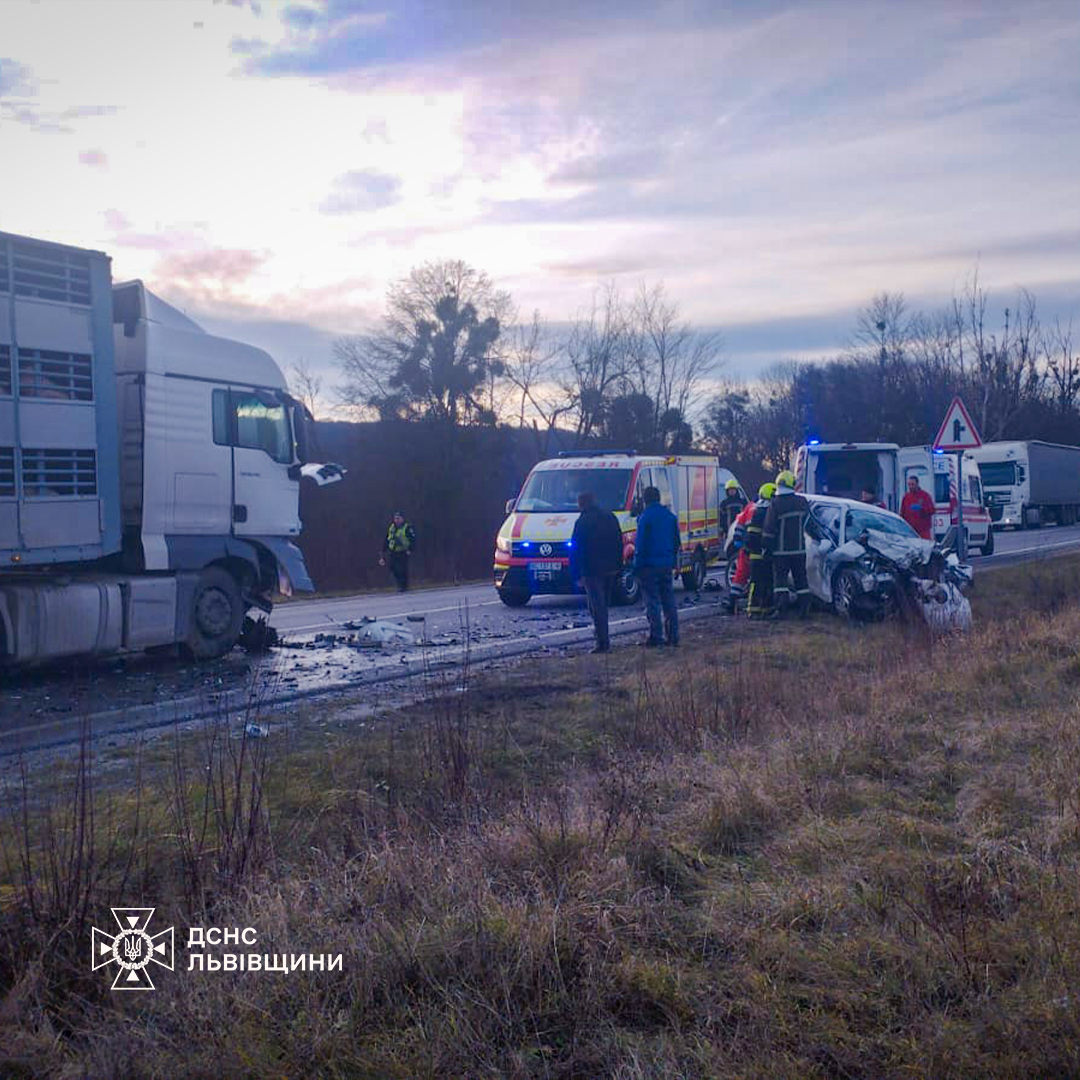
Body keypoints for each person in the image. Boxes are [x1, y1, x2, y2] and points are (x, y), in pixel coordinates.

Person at [570, 491, 624, 654]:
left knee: (596, 606)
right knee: (603, 605)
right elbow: (618, 542)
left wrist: (576, 574)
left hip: (591, 571)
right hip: (610, 569)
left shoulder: (582, 522)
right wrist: (619, 566)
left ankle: (603, 642)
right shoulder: (610, 517)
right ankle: (602, 637)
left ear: (581, 504)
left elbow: (576, 549)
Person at [633, 485, 680, 647]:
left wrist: (636, 566)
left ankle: (656, 636)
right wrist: (674, 562)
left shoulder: (645, 518)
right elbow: (676, 543)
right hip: (666, 564)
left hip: (649, 566)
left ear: (645, 500)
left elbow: (640, 544)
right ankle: (673, 636)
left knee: (652, 601)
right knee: (669, 600)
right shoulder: (670, 516)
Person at [763, 470, 812, 618]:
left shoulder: (775, 503)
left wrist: (766, 548)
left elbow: (768, 529)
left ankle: (781, 610)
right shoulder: (802, 502)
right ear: (792, 484)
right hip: (799, 550)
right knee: (801, 579)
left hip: (781, 552)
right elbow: (809, 522)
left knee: (781, 581)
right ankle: (804, 610)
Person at [729, 483, 773, 615]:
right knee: (761, 578)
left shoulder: (750, 507)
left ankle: (733, 603)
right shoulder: (770, 509)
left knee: (742, 574)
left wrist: (737, 540)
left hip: (747, 546)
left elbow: (739, 523)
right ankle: (758, 606)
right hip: (758, 549)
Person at [745, 483, 775, 619]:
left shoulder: (757, 511)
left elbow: (751, 534)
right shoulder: (769, 512)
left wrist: (749, 549)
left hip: (756, 554)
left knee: (756, 582)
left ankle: (754, 610)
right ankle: (764, 609)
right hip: (766, 554)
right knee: (766, 582)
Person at [380, 511, 416, 592]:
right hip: (393, 551)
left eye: (398, 518)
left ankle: (404, 586)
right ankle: (400, 584)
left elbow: (413, 540)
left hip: (404, 551)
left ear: (402, 519)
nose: (397, 520)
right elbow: (387, 539)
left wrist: (410, 549)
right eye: (395, 518)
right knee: (392, 568)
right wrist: (383, 550)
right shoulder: (391, 528)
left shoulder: (407, 528)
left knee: (403, 569)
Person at [900, 475, 935, 540]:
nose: (910, 486)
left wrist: (922, 508)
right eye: (909, 484)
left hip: (923, 531)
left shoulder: (925, 496)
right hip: (910, 531)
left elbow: (932, 510)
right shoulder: (906, 497)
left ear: (917, 484)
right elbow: (902, 514)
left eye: (912, 484)